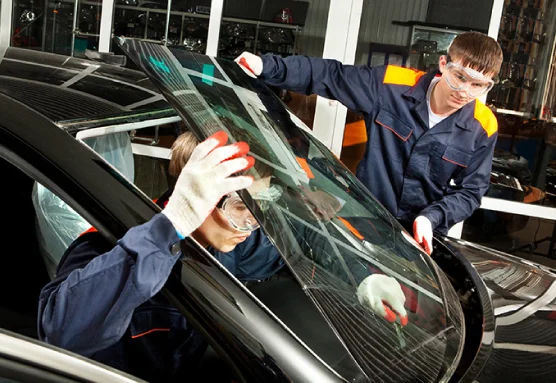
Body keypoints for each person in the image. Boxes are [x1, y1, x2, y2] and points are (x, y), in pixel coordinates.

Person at [38, 130, 406, 382]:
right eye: (238, 206)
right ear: (197, 192)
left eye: (260, 206)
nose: (250, 224)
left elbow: (302, 238)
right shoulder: (107, 245)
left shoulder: (227, 242)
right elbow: (62, 333)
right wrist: (171, 227)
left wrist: (363, 274)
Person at [235, 31, 503, 255]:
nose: (465, 92)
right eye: (460, 77)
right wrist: (267, 67)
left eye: (479, 85)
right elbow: (331, 76)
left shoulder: (483, 126)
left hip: (419, 241)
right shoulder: (390, 85)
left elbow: (470, 192)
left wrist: (430, 218)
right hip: (364, 224)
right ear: (444, 64)